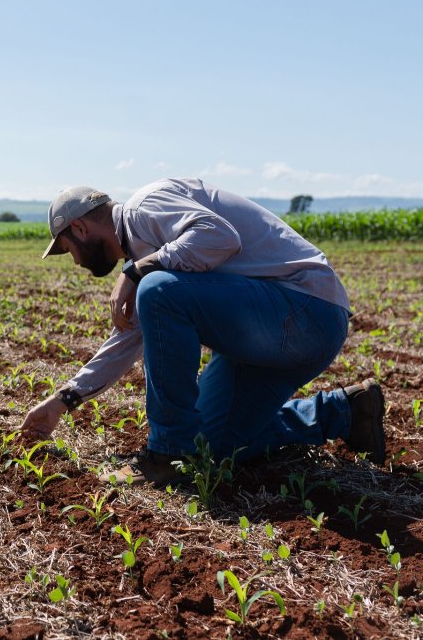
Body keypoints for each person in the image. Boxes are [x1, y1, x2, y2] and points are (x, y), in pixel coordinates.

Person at [20, 178, 385, 485]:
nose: (78, 261)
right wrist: (62, 401)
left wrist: (135, 273)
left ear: (80, 229)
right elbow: (126, 339)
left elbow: (220, 236)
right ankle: (344, 413)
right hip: (274, 335)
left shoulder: (144, 207)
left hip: (305, 309)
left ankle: (165, 454)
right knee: (209, 447)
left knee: (158, 289)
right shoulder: (146, 257)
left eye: (69, 250)